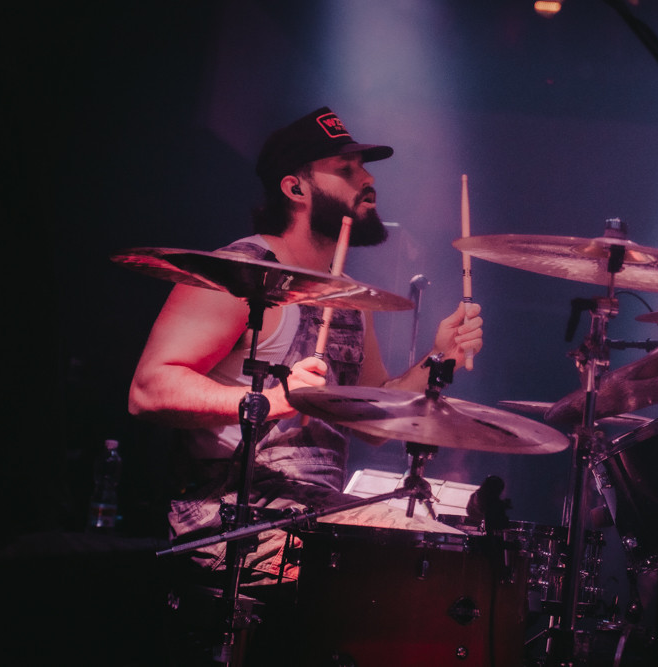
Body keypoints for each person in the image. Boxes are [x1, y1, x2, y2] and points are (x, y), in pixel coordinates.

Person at [127, 106, 483, 661]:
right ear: (295, 187)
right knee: (428, 560)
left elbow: (374, 424)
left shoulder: (348, 296)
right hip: (230, 522)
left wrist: (442, 357)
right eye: (347, 169)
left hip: (315, 518)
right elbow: (148, 389)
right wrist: (273, 401)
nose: (368, 180)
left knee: (455, 556)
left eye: (364, 168)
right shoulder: (239, 274)